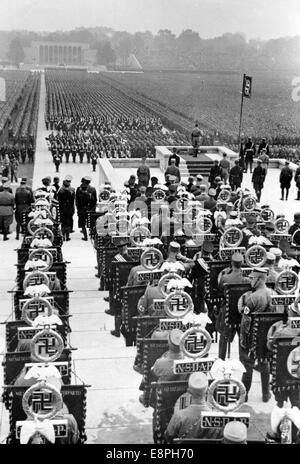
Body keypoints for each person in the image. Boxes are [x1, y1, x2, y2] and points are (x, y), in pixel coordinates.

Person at [238, 268, 274, 402]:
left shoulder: (253, 298)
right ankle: (266, 394)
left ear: (259, 280)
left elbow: (245, 322)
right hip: (266, 337)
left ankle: (244, 394)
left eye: (253, 278)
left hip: (252, 337)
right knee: (264, 363)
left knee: (247, 364)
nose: (251, 280)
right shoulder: (273, 294)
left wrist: (243, 339)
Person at [165, 373, 221, 443]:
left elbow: (169, 435)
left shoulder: (179, 416)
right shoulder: (217, 417)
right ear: (207, 390)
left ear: (189, 390)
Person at [217, 253, 250, 359]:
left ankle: (221, 358)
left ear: (232, 263)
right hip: (241, 313)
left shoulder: (225, 277)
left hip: (228, 312)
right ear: (242, 264)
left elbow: (220, 289)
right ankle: (243, 359)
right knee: (243, 337)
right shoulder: (247, 279)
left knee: (223, 337)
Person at [57, 175, 75, 242]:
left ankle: (62, 236)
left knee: (63, 223)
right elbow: (72, 201)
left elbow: (58, 200)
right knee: (68, 223)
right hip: (69, 209)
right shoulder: (72, 191)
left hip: (62, 209)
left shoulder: (60, 191)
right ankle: (67, 237)